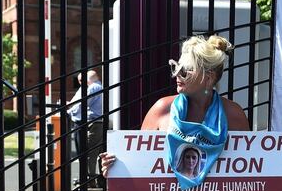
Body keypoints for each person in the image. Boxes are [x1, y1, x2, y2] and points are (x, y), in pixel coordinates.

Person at [99, 35, 249, 177]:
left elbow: (250, 170)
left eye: (186, 70)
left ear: (208, 78)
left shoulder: (233, 114)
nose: (177, 74)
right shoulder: (162, 109)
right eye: (177, 67)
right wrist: (115, 169)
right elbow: (139, 163)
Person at [68, 70, 105, 187]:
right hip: (100, 122)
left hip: (95, 123)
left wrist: (69, 110)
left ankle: (90, 180)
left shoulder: (93, 87)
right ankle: (101, 180)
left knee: (90, 152)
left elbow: (82, 103)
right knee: (100, 152)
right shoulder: (100, 86)